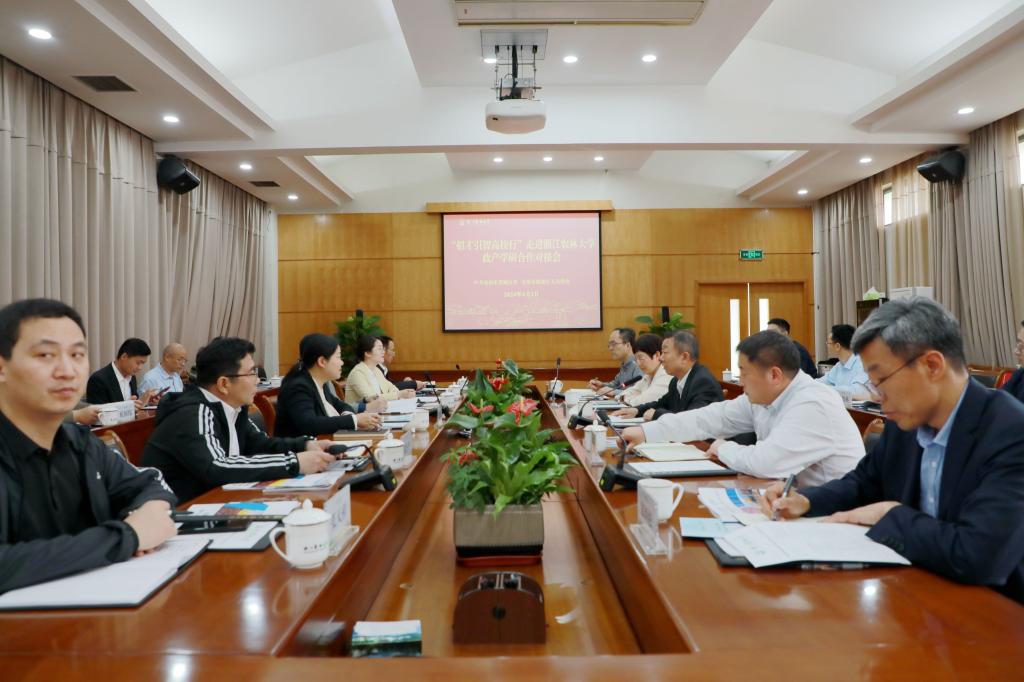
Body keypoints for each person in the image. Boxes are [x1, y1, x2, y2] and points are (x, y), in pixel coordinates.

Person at [762, 298, 1024, 603]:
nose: (878, 397)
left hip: (994, 610)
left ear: (932, 365)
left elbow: (978, 555)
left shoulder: (1010, 432)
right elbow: (863, 483)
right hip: (917, 590)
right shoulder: (908, 421)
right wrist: (806, 500)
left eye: (881, 381)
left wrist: (889, 514)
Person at [0, 298, 177, 594]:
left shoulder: (80, 442)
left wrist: (151, 512)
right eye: (45, 355)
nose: (67, 371)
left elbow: (151, 484)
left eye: (77, 355)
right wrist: (127, 536)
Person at [622, 330, 864, 486]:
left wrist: (723, 448)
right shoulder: (764, 397)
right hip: (790, 502)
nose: (741, 382)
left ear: (774, 375)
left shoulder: (812, 403)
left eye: (744, 373)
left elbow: (766, 462)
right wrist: (647, 432)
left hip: (833, 519)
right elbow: (710, 417)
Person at [141, 337, 335, 503]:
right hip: (181, 512)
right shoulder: (193, 412)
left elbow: (261, 444)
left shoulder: (234, 408)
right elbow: (217, 467)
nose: (257, 380)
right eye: (251, 373)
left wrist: (306, 445)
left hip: (220, 499)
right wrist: (294, 462)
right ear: (224, 384)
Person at [275, 333, 383, 437]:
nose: (342, 363)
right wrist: (354, 420)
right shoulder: (298, 387)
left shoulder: (321, 383)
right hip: (303, 448)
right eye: (338, 357)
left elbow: (342, 405)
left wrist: (350, 417)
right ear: (322, 361)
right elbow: (310, 424)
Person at [612, 331, 722, 421]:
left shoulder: (702, 382)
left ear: (684, 357)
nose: (661, 358)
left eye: (665, 352)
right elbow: (661, 404)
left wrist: (657, 414)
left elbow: (692, 419)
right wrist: (636, 411)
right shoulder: (676, 381)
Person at [344, 335, 416, 404]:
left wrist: (399, 393)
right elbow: (372, 398)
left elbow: (392, 388)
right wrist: (398, 395)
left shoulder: (376, 370)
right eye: (379, 349)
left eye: (383, 349)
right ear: (368, 353)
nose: (383, 352)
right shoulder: (357, 373)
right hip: (361, 412)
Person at [85, 337, 157, 406]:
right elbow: (97, 412)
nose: (140, 368)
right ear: (124, 356)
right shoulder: (98, 380)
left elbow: (133, 408)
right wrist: (126, 406)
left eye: (143, 364)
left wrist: (142, 402)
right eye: (138, 363)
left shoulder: (132, 378)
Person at [619, 333, 672, 408]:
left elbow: (640, 402)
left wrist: (626, 399)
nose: (638, 363)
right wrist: (626, 398)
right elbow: (622, 395)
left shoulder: (666, 375)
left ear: (657, 355)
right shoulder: (647, 376)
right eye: (636, 359)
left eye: (641, 358)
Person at [817, 324, 869, 399]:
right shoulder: (840, 365)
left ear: (837, 346)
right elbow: (822, 382)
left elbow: (856, 391)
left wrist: (827, 389)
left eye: (828, 343)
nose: (827, 346)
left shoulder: (863, 363)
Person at [588, 328, 642, 396]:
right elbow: (616, 384)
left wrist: (614, 392)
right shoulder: (625, 364)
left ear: (627, 345)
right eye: (609, 345)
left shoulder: (639, 364)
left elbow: (639, 392)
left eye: (613, 344)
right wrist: (601, 385)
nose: (610, 348)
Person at [1000, 319, 1024, 403]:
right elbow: (998, 399)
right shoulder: (1019, 374)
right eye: (1018, 344)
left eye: (1022, 346)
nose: (1016, 351)